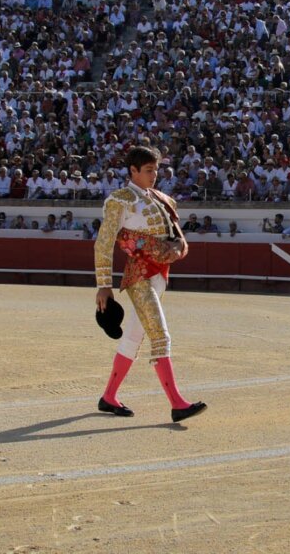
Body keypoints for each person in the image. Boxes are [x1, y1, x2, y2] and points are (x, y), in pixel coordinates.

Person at [93, 146, 206, 423]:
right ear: (133, 171)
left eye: (156, 169)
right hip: (140, 275)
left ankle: (109, 397)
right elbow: (104, 243)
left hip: (159, 275)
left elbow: (173, 234)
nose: (155, 175)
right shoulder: (119, 200)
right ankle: (177, 403)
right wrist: (104, 285)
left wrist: (176, 247)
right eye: (148, 170)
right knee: (160, 335)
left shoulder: (159, 198)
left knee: (133, 338)